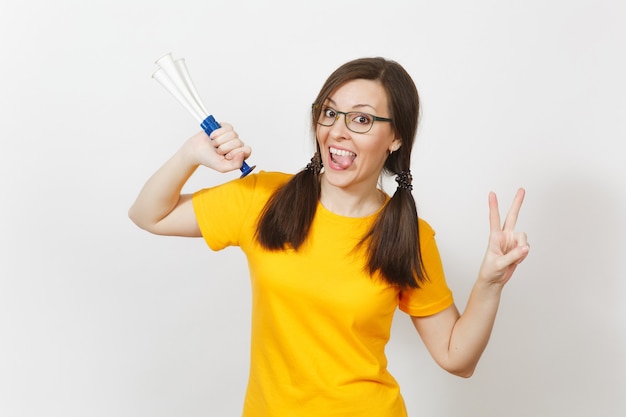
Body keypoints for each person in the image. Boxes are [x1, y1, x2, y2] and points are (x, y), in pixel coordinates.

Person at [128, 57, 529, 416]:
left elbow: (456, 358)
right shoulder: (264, 199)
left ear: (396, 137)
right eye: (329, 113)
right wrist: (191, 154)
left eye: (361, 119)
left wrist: (489, 283)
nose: (337, 130)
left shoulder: (409, 235)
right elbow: (149, 215)